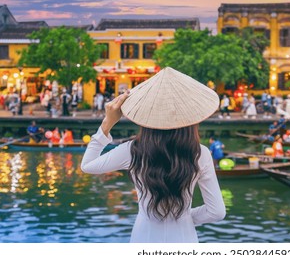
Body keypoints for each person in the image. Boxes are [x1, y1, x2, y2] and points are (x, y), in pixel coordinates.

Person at [81, 67, 225, 243]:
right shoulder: (200, 153)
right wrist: (183, 218)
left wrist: (107, 123)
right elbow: (217, 212)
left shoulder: (132, 150)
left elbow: (87, 166)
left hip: (144, 237)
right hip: (184, 239)